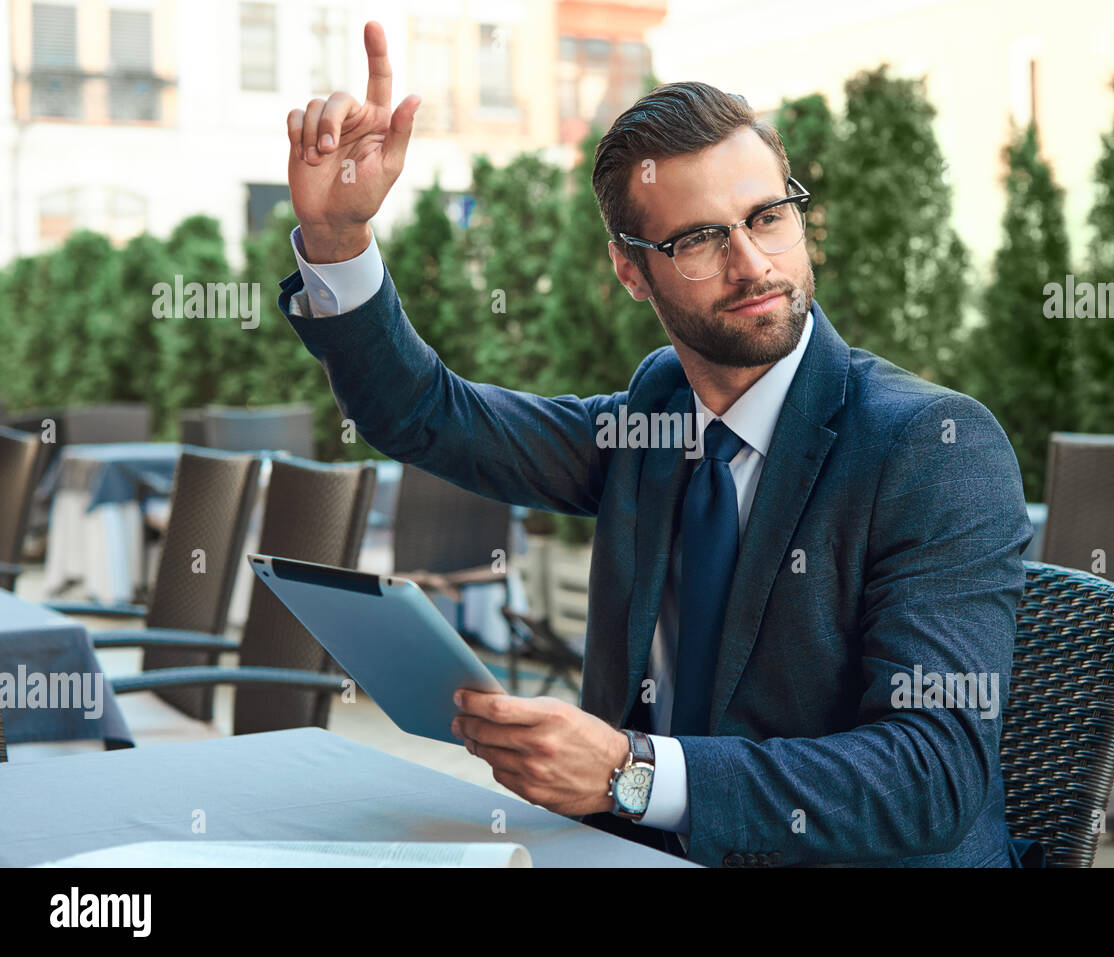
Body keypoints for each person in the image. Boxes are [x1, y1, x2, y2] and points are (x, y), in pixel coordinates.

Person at [280, 21, 1039, 867]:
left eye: (766, 216)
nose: (752, 263)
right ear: (631, 270)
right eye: (700, 239)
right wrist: (339, 244)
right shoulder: (655, 412)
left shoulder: (930, 448)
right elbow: (429, 416)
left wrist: (630, 774)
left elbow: (931, 774)